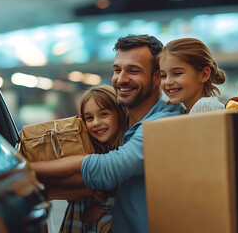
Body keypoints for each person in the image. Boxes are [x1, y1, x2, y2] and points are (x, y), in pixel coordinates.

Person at [28, 34, 185, 232]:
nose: (121, 79)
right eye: (117, 70)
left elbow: (106, 170)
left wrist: (23, 169)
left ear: (157, 77)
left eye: (133, 70)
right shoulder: (120, 125)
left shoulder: (165, 122)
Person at [59, 85, 127, 233]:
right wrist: (86, 214)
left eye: (103, 114)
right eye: (89, 118)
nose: (96, 122)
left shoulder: (125, 154)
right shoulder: (91, 152)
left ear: (120, 113)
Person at [158, 38, 227, 114]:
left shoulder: (205, 106)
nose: (168, 82)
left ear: (204, 75)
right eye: (163, 76)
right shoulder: (185, 109)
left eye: (177, 73)